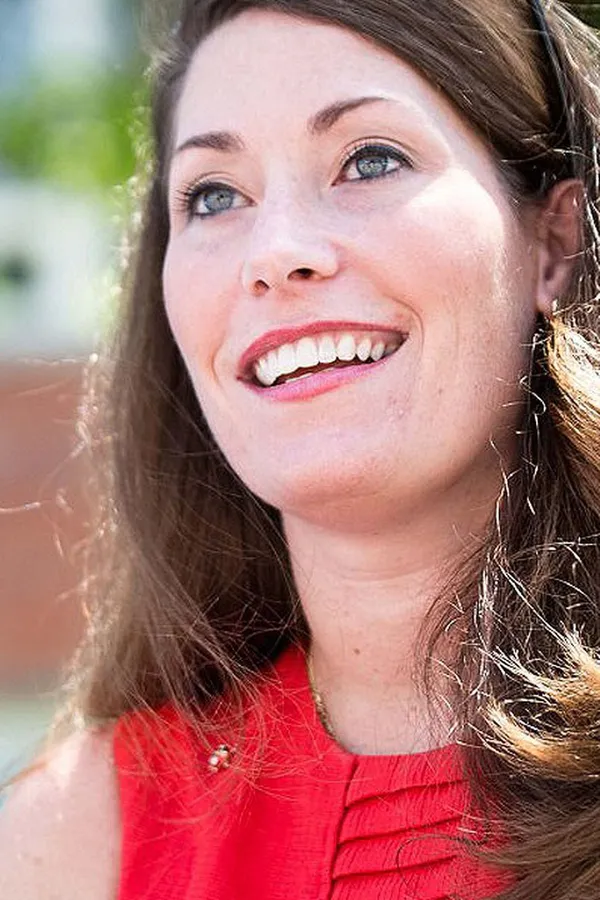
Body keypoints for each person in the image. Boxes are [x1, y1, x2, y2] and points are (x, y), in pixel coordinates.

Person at [2, 0, 600, 897]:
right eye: (214, 195)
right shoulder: (68, 844)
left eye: (371, 159)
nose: (276, 252)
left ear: (554, 243)